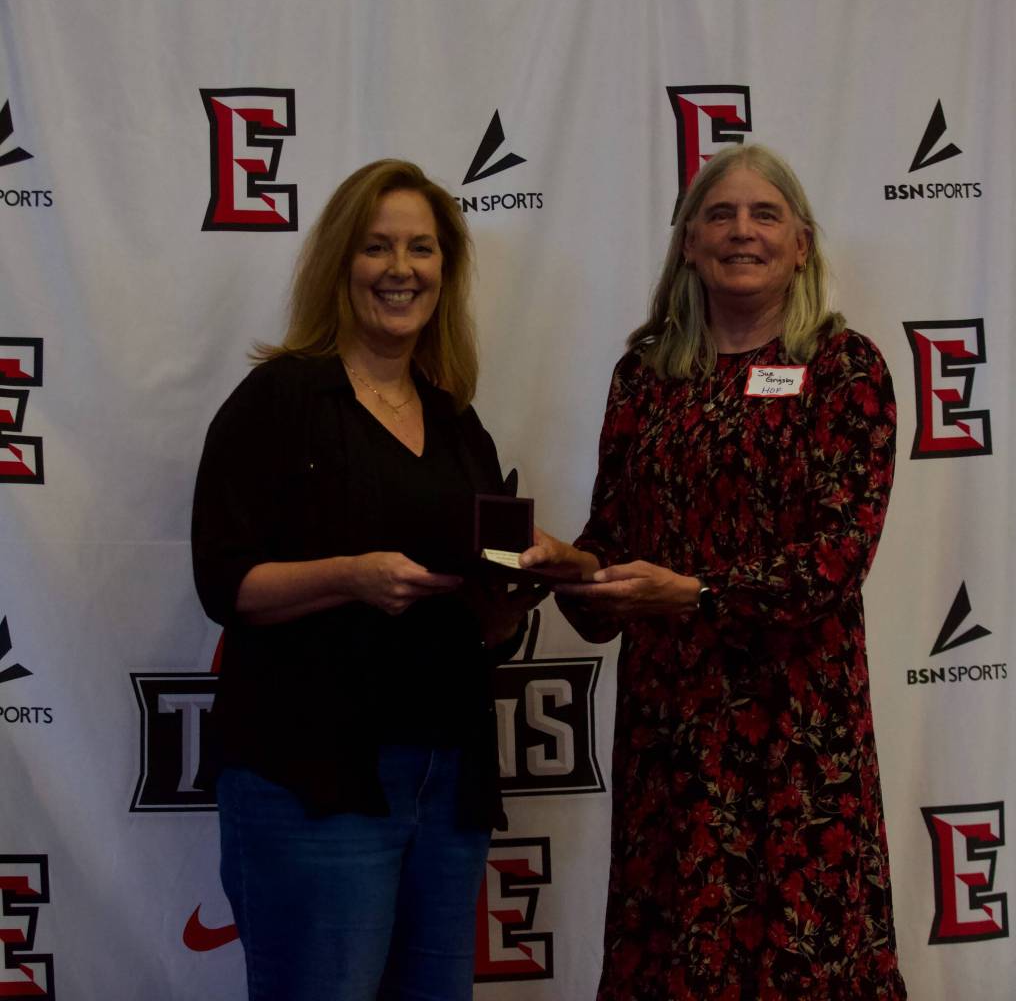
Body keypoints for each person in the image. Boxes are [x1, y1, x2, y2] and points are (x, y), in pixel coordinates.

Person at [522, 144, 907, 1000]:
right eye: (720, 215)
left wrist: (696, 594)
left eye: (765, 214)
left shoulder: (848, 370)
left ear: (801, 243)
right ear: (687, 243)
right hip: (671, 735)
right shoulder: (646, 378)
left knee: (801, 960)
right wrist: (566, 566)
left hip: (799, 738)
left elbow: (837, 562)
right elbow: (615, 548)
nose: (743, 231)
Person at [191, 159, 540, 1001]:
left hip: (448, 779)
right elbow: (224, 585)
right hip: (313, 777)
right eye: (377, 246)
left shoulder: (459, 422)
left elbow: (492, 595)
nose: (401, 268)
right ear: (340, 262)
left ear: (444, 271)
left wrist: (511, 598)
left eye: (422, 248)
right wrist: (350, 577)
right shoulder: (279, 399)